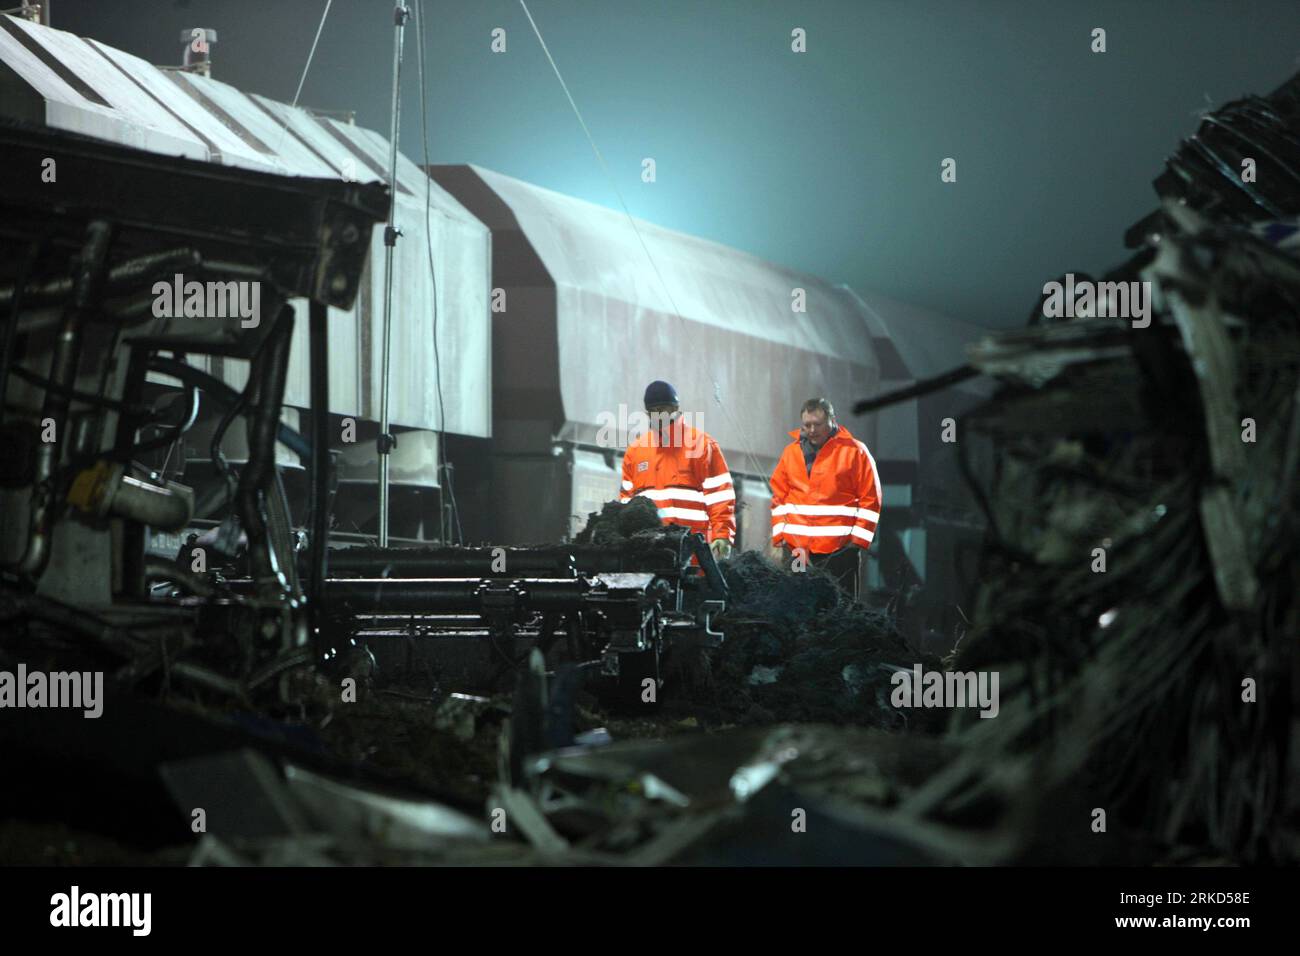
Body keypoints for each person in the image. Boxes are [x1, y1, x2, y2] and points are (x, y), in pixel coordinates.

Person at [769, 397, 881, 598]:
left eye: (817, 424)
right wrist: (781, 537)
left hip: (840, 550)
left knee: (839, 607)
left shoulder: (855, 452)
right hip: (797, 548)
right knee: (795, 604)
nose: (812, 430)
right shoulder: (791, 453)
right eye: (807, 425)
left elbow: (870, 499)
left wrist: (857, 543)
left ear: (832, 421)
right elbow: (779, 497)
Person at [619, 380, 736, 561]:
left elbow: (720, 496)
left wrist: (722, 536)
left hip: (694, 553)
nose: (660, 416)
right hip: (648, 554)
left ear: (675, 408)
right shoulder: (635, 452)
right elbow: (627, 504)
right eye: (654, 411)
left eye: (664, 409)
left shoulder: (702, 446)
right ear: (647, 413)